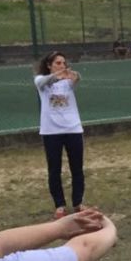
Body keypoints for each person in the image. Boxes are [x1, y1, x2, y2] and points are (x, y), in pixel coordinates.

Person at [34, 52, 85, 219]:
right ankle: (60, 205)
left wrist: (74, 75)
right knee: (54, 169)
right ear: (49, 65)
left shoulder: (68, 82)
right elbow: (43, 81)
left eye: (63, 63)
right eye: (58, 63)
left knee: (77, 168)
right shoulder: (41, 80)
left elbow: (78, 78)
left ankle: (78, 203)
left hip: (73, 129)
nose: (62, 66)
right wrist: (56, 75)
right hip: (51, 131)